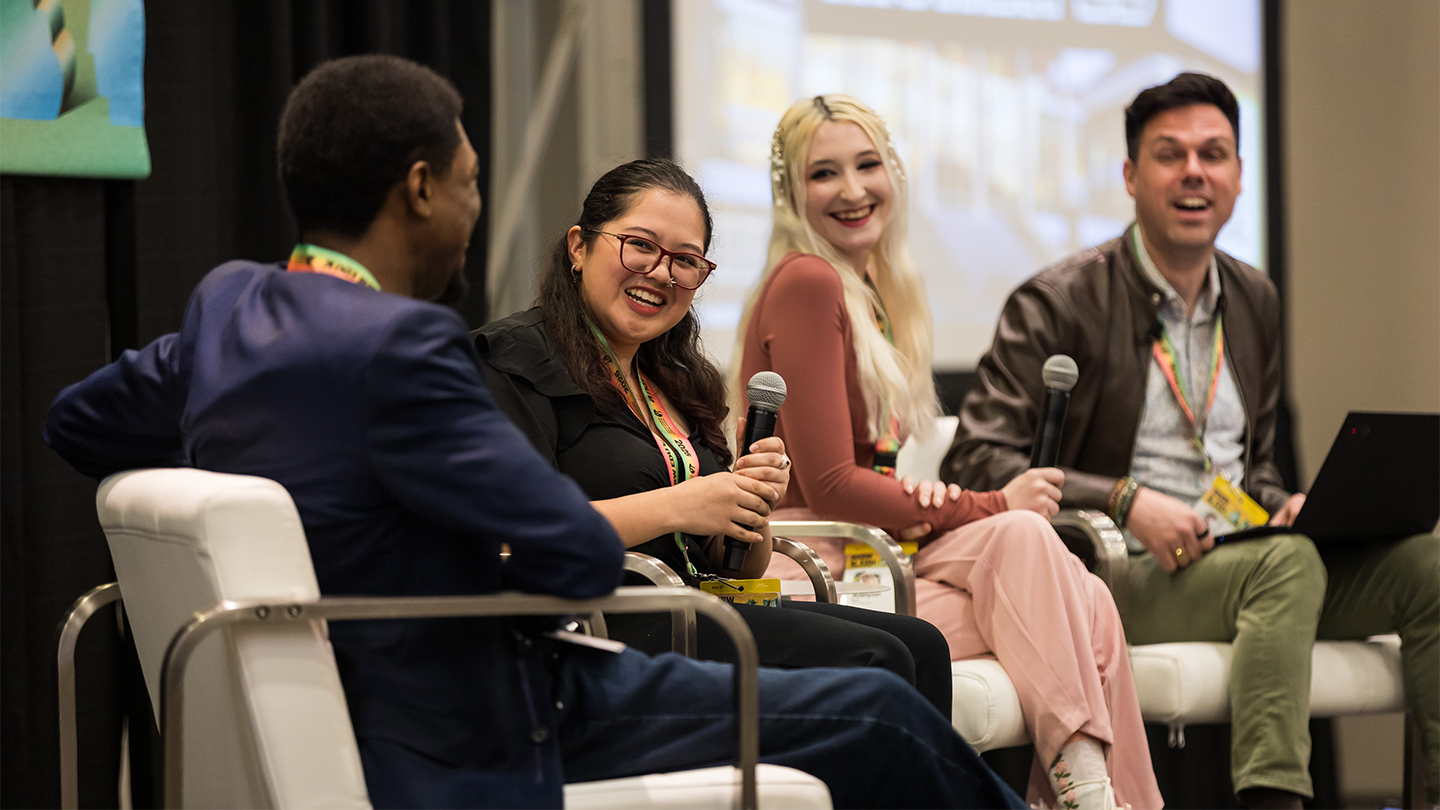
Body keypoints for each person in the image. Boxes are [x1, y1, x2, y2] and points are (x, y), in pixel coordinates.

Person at [42, 56, 1030, 810]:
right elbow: (569, 553)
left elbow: (77, 422)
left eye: (687, 260)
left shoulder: (226, 309)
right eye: (470, 183)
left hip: (353, 694)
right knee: (883, 711)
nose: (474, 212)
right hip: (481, 713)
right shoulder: (410, 346)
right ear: (420, 189)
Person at [944, 71, 1440, 810]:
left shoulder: (1253, 297)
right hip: (1115, 571)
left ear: (1239, 175)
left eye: (1213, 154)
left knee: (1427, 567)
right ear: (1130, 176)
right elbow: (976, 460)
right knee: (1286, 566)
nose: (1194, 173)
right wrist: (1125, 498)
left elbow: (1252, 463)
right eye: (1170, 154)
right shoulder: (1058, 300)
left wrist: (1283, 502)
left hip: (1245, 556)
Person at [737, 94, 1161, 810]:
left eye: (868, 165)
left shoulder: (877, 288)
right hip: (811, 567)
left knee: (1067, 578)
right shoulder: (808, 281)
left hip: (873, 556)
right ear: (790, 194)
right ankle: (1095, 797)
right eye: (824, 173)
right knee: (1047, 561)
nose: (852, 189)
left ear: (894, 173)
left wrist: (951, 510)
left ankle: (1093, 795)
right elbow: (833, 485)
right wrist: (987, 502)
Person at [475, 157, 955, 716]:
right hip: (598, 624)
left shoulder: (675, 379)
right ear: (579, 247)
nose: (661, 274)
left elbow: (739, 569)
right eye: (640, 246)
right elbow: (511, 535)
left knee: (922, 644)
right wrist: (682, 504)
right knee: (878, 657)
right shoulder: (514, 358)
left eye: (685, 261)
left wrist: (751, 503)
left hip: (696, 605)